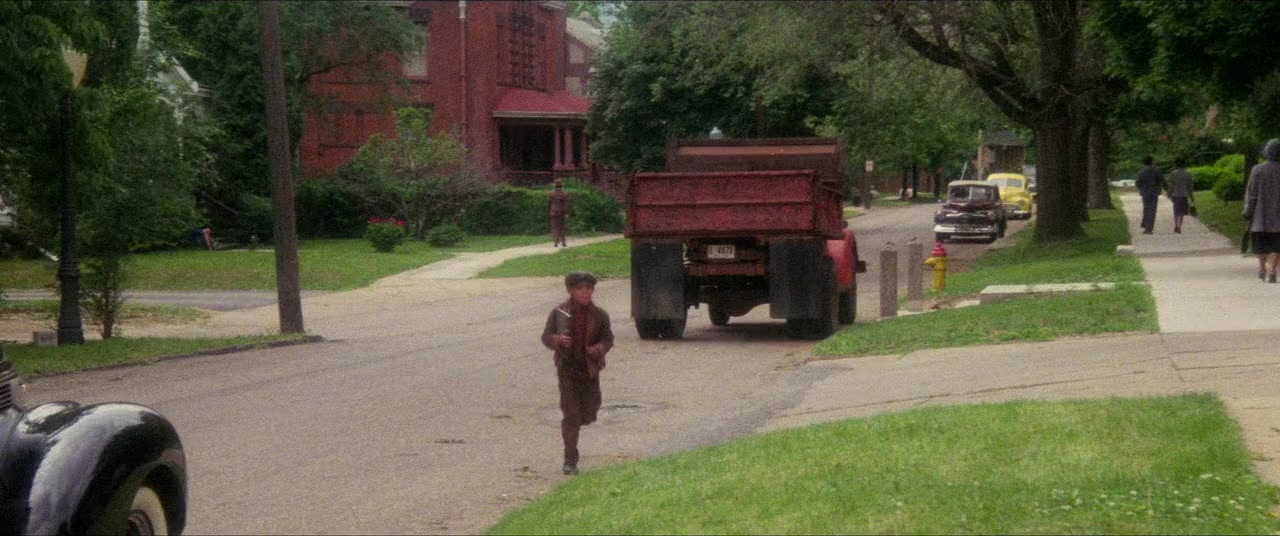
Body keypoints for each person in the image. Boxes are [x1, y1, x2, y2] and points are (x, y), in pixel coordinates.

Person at [540, 271, 613, 475]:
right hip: (567, 370)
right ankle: (570, 459)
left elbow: (608, 339)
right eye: (580, 289)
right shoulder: (559, 313)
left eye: (588, 288)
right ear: (570, 291)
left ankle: (580, 423)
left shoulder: (600, 315)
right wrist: (557, 340)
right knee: (571, 415)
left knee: (589, 411)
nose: (585, 292)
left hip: (589, 371)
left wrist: (597, 349)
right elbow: (546, 336)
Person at [1243, 139, 1280, 283]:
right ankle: (1273, 270)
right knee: (1277, 244)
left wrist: (1248, 211)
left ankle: (1262, 268)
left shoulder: (1257, 170)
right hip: (1277, 216)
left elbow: (1251, 193)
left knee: (1260, 244)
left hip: (1260, 215)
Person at [1135, 156, 1167, 235]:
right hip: (1154, 192)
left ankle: (1145, 223)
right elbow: (1162, 180)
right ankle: (1148, 228)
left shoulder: (1141, 171)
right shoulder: (1157, 170)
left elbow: (1137, 182)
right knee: (1152, 210)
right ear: (1152, 161)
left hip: (1145, 192)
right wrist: (1163, 187)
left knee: (1146, 208)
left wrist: (1141, 188)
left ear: (1144, 162)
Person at [1167, 158, 1195, 234]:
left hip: (1175, 195)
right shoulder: (1188, 173)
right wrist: (1191, 196)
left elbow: (1171, 185)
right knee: (1182, 211)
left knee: (1176, 210)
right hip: (1184, 195)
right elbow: (1190, 186)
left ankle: (1176, 224)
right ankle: (1179, 226)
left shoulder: (1173, 173)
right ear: (1184, 164)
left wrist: (1169, 194)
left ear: (1176, 164)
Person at [548, 179, 569, 247]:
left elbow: (549, 204)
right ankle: (563, 242)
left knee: (554, 227)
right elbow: (565, 205)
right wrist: (566, 213)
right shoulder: (564, 194)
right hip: (562, 212)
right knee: (562, 227)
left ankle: (555, 242)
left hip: (553, 212)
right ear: (561, 186)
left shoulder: (551, 194)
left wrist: (549, 211)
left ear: (554, 186)